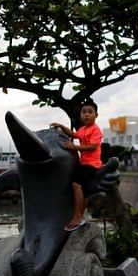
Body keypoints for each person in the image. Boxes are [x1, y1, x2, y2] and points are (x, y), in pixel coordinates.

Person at [50, 99, 103, 232]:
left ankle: (77, 216)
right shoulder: (83, 129)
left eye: (90, 112)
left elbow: (92, 146)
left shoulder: (95, 130)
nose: (86, 115)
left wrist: (74, 147)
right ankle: (80, 214)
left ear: (96, 115)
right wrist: (62, 127)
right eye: (83, 112)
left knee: (76, 185)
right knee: (81, 188)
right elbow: (73, 134)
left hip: (92, 165)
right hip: (84, 164)